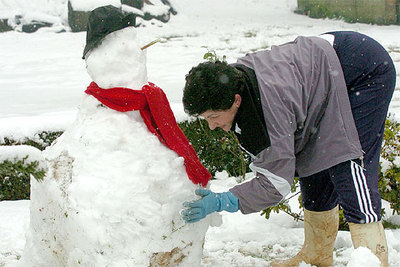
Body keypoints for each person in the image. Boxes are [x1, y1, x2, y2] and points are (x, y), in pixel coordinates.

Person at [180, 31, 396, 267]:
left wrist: (225, 200)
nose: (211, 126)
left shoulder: (267, 109)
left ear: (236, 101)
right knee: (314, 163)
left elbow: (275, 183)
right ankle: (317, 255)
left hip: (361, 71)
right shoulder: (231, 83)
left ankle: (373, 261)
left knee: (348, 163)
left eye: (214, 117)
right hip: (321, 74)